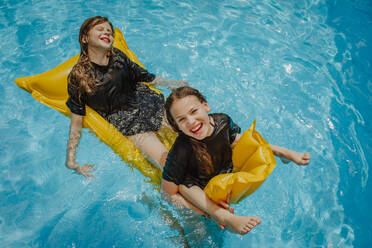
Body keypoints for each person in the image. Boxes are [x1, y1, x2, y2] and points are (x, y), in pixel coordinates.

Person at [161, 86, 311, 235]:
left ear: (205, 106)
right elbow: (168, 194)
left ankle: (282, 152)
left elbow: (236, 141)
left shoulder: (222, 121)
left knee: (244, 141)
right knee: (184, 188)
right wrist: (207, 213)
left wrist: (276, 150)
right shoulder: (181, 150)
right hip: (199, 191)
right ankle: (223, 216)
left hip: (222, 177)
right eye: (182, 120)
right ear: (178, 127)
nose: (191, 121)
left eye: (194, 111)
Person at [65, 16, 186, 178]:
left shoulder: (118, 57)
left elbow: (144, 76)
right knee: (169, 163)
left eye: (109, 30)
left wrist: (171, 83)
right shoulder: (78, 77)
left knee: (190, 135)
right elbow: (77, 120)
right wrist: (71, 160)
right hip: (129, 124)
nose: (106, 32)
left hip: (150, 105)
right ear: (84, 38)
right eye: (100, 29)